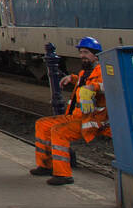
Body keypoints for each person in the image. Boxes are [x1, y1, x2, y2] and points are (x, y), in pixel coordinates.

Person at [30, 36, 111, 185]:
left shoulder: (103, 71)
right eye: (81, 52)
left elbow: (107, 85)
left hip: (92, 120)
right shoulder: (84, 72)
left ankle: (63, 175)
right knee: (42, 124)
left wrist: (93, 88)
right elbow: (84, 82)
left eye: (86, 52)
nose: (82, 56)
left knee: (58, 131)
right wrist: (71, 78)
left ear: (95, 55)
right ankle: (46, 165)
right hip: (75, 116)